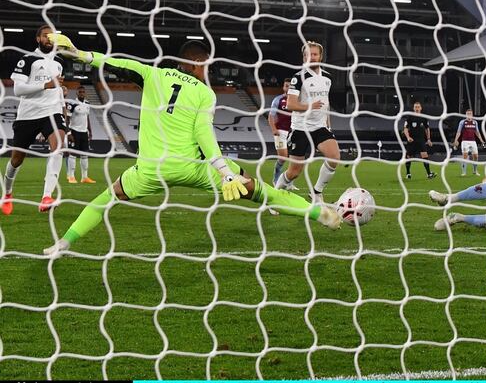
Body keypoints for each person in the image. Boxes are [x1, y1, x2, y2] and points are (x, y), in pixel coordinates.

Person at [42, 34, 340, 256]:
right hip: (197, 169)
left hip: (151, 170)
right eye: (206, 63)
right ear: (197, 63)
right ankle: (319, 214)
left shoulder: (153, 74)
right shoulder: (204, 93)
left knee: (106, 198)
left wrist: (79, 54)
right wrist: (226, 172)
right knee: (263, 193)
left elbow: (116, 63)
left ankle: (62, 243)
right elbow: (203, 133)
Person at [2, 25, 68, 214]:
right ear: (38, 39)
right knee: (16, 159)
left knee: (59, 147)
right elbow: (18, 90)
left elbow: (57, 89)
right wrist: (45, 85)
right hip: (28, 115)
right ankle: (7, 193)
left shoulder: (59, 62)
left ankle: (46, 197)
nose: (49, 39)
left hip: (52, 112)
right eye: (45, 36)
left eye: (51, 36)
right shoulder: (28, 59)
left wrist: (61, 101)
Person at [274, 41, 339, 203]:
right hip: (300, 129)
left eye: (315, 54)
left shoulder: (328, 78)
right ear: (304, 58)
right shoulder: (298, 78)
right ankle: (274, 196)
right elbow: (290, 104)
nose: (312, 58)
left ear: (320, 56)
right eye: (308, 55)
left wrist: (328, 122)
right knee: (294, 172)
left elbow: (326, 102)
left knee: (334, 157)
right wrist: (311, 106)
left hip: (320, 127)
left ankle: (316, 192)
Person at [268, 78, 296, 190]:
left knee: (295, 158)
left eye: (290, 86)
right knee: (283, 157)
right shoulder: (278, 100)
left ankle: (289, 183)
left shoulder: (296, 100)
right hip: (280, 131)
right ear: (283, 87)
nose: (288, 88)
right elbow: (271, 116)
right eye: (286, 85)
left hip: (293, 131)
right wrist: (274, 129)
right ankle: (275, 179)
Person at [65, 85, 96, 184]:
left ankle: (84, 177)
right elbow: (67, 119)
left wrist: (90, 130)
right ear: (76, 93)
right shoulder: (72, 103)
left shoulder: (87, 103)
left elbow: (87, 118)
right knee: (73, 154)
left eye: (83, 92)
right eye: (80, 92)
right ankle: (71, 176)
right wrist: (68, 133)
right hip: (74, 131)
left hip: (84, 132)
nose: (82, 93)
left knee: (84, 155)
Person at [402, 101, 436, 180]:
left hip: (421, 140)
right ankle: (408, 173)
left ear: (421, 108)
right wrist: (408, 137)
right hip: (412, 140)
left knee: (425, 155)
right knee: (408, 156)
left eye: (418, 107)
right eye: (415, 107)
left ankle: (428, 174)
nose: (417, 108)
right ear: (413, 108)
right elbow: (405, 129)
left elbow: (427, 129)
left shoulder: (424, 117)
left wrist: (428, 139)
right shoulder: (409, 117)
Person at [451, 109, 485, 176]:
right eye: (468, 113)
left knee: (476, 156)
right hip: (465, 141)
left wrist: (481, 140)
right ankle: (464, 172)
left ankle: (475, 171)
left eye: (470, 113)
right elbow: (459, 132)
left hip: (473, 141)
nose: (469, 114)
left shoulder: (475, 122)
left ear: (472, 115)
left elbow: (477, 132)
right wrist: (455, 140)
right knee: (465, 156)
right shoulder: (462, 122)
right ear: (466, 115)